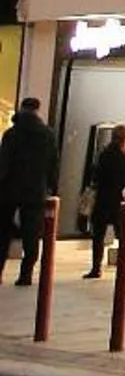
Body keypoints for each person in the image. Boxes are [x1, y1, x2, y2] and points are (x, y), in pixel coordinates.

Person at [1, 99, 55, 287]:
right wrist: (51, 188)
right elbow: (53, 164)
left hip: (9, 191)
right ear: (38, 110)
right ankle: (26, 274)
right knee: (32, 235)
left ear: (22, 109)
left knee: (3, 232)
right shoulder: (48, 135)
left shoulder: (11, 134)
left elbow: (3, 165)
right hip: (36, 191)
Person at [84, 126, 125, 278]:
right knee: (122, 236)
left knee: (98, 236)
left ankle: (96, 268)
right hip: (122, 201)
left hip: (104, 198)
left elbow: (96, 175)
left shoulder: (105, 154)